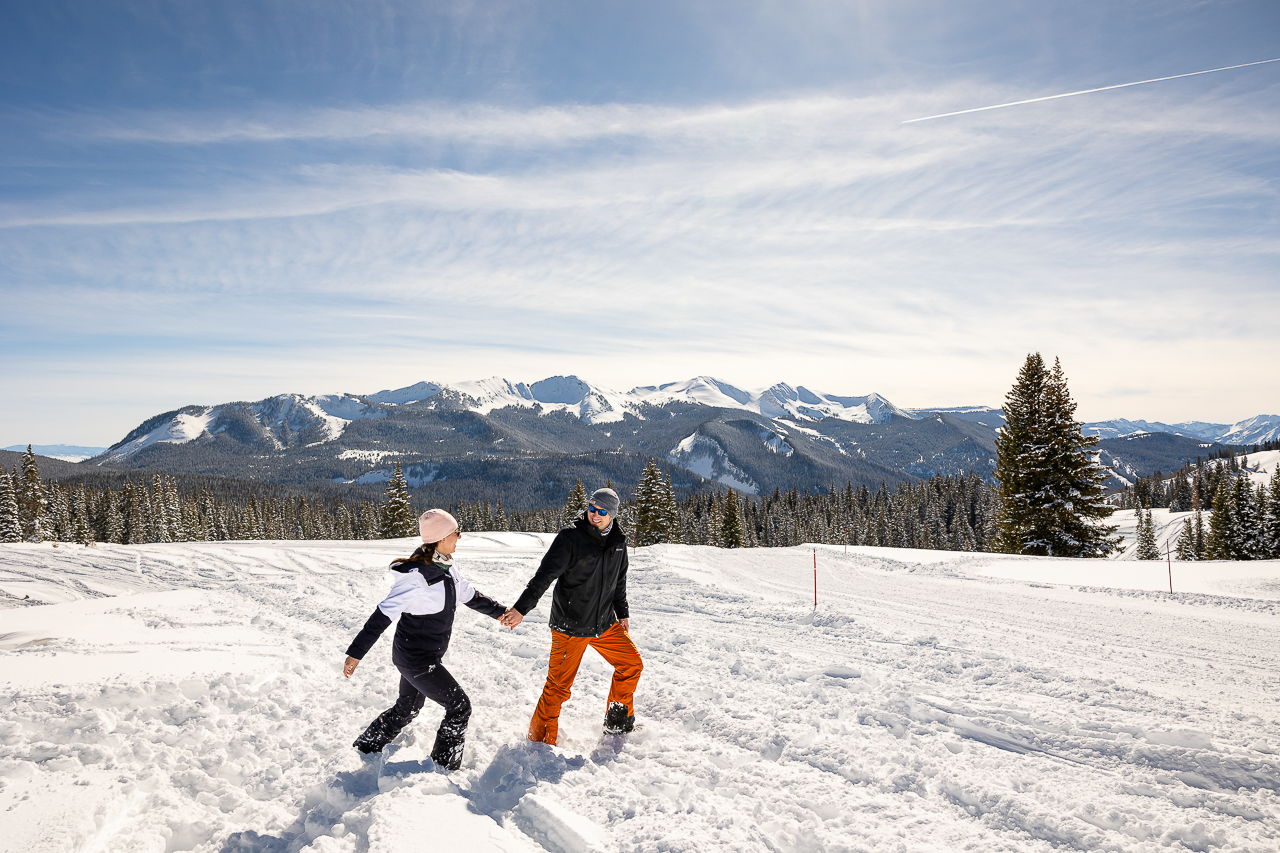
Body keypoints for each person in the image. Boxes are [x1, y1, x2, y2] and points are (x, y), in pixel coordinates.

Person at [342, 508, 507, 770]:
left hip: (426, 656)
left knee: (407, 708)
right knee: (459, 706)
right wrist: (356, 653)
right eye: (456, 533)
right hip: (414, 659)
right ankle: (444, 767)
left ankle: (365, 746)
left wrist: (502, 613)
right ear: (441, 538)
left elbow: (471, 597)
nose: (459, 538)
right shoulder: (414, 578)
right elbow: (381, 617)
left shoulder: (449, 567)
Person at [499, 487, 643, 744]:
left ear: (612, 514)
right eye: (591, 508)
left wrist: (622, 613)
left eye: (601, 511)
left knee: (631, 664)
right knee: (557, 688)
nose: (595, 515)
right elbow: (544, 576)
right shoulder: (570, 539)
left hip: (604, 623)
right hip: (571, 626)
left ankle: (617, 722)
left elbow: (618, 582)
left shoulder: (619, 543)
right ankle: (540, 742)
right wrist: (521, 608)